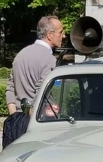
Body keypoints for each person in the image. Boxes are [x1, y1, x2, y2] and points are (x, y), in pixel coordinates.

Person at [3, 16, 64, 148]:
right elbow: (41, 91)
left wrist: (13, 114)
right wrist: (32, 119)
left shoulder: (21, 54)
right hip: (37, 122)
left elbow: (10, 87)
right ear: (49, 35)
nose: (63, 36)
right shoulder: (49, 59)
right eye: (60, 32)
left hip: (16, 119)